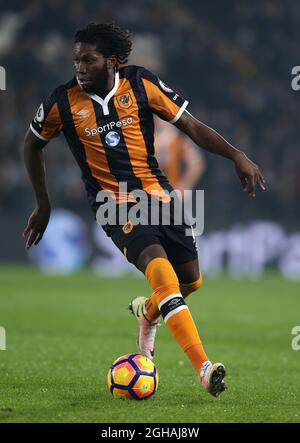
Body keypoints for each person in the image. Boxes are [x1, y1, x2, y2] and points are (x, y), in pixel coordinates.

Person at [23, 23, 265, 398]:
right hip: (114, 205)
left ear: (113, 62)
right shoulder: (62, 102)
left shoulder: (140, 84)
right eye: (76, 60)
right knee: (163, 277)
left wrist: (236, 154)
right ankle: (204, 367)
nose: (80, 67)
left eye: (89, 60)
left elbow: (191, 126)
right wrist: (43, 203)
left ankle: (148, 314)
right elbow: (31, 145)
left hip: (161, 198)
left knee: (190, 282)